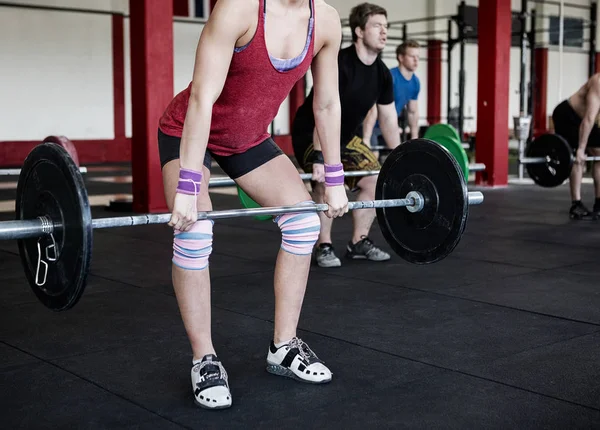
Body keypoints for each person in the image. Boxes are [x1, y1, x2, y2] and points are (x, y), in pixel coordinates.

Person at [157, 0, 348, 410]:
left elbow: (327, 104)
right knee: (196, 228)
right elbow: (201, 99)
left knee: (304, 223)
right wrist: (189, 185)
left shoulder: (327, 21)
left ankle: (283, 346)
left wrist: (334, 178)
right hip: (189, 130)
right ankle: (204, 358)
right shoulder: (239, 10)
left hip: (247, 138)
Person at [291, 2, 401, 268]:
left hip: (345, 136)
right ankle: (324, 245)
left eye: (386, 27)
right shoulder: (339, 63)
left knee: (375, 179)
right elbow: (323, 110)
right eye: (377, 26)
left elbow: (388, 118)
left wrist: (401, 159)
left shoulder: (383, 74)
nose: (384, 32)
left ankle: (359, 241)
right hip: (311, 133)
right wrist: (319, 158)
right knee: (324, 180)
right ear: (359, 31)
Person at [552, 74, 600, 220]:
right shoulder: (598, 82)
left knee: (598, 152)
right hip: (568, 115)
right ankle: (576, 204)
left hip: (586, 120)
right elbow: (589, 118)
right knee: (577, 156)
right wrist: (581, 148)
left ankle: (599, 204)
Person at [363, 40, 421, 149]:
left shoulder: (415, 82)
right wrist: (366, 138)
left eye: (417, 56)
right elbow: (372, 107)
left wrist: (415, 139)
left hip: (389, 125)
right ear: (401, 57)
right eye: (412, 56)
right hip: (371, 125)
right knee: (372, 157)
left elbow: (412, 112)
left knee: (396, 157)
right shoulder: (390, 77)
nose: (416, 60)